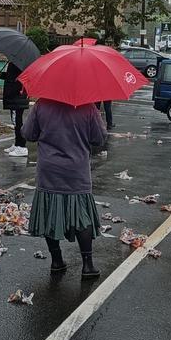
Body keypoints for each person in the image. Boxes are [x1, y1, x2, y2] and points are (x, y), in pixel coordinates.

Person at [23, 98, 108, 278]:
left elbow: (28, 133)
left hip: (49, 171)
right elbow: (99, 138)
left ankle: (56, 260)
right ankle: (87, 265)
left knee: (50, 214)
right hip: (77, 171)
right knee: (82, 216)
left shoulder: (41, 104)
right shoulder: (88, 106)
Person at [0, 62, 29, 157]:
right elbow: (11, 76)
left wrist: (4, 76)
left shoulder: (19, 64)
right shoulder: (14, 62)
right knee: (16, 122)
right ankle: (17, 144)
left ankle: (22, 146)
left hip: (16, 98)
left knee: (18, 123)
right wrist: (2, 75)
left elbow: (16, 79)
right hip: (15, 98)